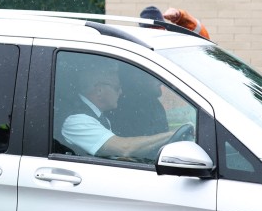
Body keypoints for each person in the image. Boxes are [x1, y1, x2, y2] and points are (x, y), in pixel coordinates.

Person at [58, 61, 192, 161]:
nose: (121, 93)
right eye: (117, 88)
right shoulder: (77, 121)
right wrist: (174, 134)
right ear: (99, 90)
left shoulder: (97, 116)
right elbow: (125, 148)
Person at [140, 5, 211, 40]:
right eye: (151, 29)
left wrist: (180, 17)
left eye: (158, 28)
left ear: (164, 28)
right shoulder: (137, 50)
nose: (156, 31)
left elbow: (202, 36)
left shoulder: (172, 43)